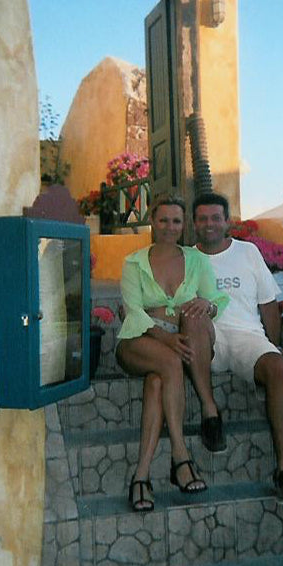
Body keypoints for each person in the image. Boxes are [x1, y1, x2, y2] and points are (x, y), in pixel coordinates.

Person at [116, 193, 229, 511]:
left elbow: (216, 299)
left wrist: (206, 303)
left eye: (176, 221)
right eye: (163, 219)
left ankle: (141, 477)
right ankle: (181, 455)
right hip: (139, 341)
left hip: (176, 343)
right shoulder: (134, 262)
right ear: (152, 220)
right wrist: (164, 338)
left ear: (184, 225)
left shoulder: (197, 261)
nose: (169, 226)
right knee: (168, 361)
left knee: (157, 381)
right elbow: (134, 312)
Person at [192, 191, 283, 505]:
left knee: (278, 367)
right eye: (202, 218)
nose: (209, 224)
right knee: (194, 318)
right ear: (194, 224)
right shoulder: (186, 258)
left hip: (246, 337)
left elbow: (268, 304)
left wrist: (275, 347)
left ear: (227, 221)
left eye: (215, 218)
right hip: (206, 339)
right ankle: (211, 416)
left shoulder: (248, 252)